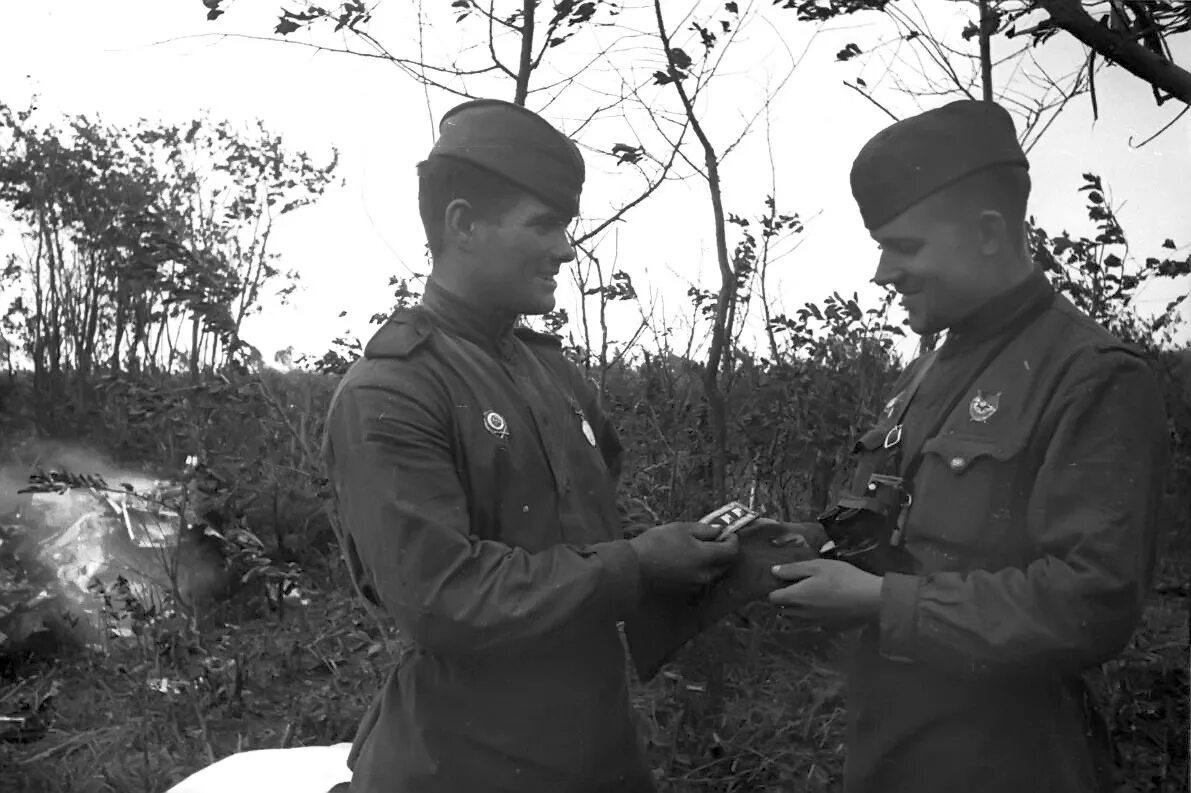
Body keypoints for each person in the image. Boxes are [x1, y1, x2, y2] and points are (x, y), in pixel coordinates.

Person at [321, 98, 738, 793]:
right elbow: (441, 599)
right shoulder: (391, 390)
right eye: (543, 226)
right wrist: (638, 564)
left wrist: (702, 561)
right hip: (463, 764)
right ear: (462, 225)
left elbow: (585, 537)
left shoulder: (551, 369)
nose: (566, 249)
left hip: (595, 752)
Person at [767, 100, 1169, 793]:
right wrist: (794, 542)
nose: (882, 274)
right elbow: (886, 529)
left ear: (987, 234)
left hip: (1009, 758)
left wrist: (875, 602)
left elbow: (1089, 602)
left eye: (903, 247)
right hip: (892, 750)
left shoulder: (1092, 376)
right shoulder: (926, 370)